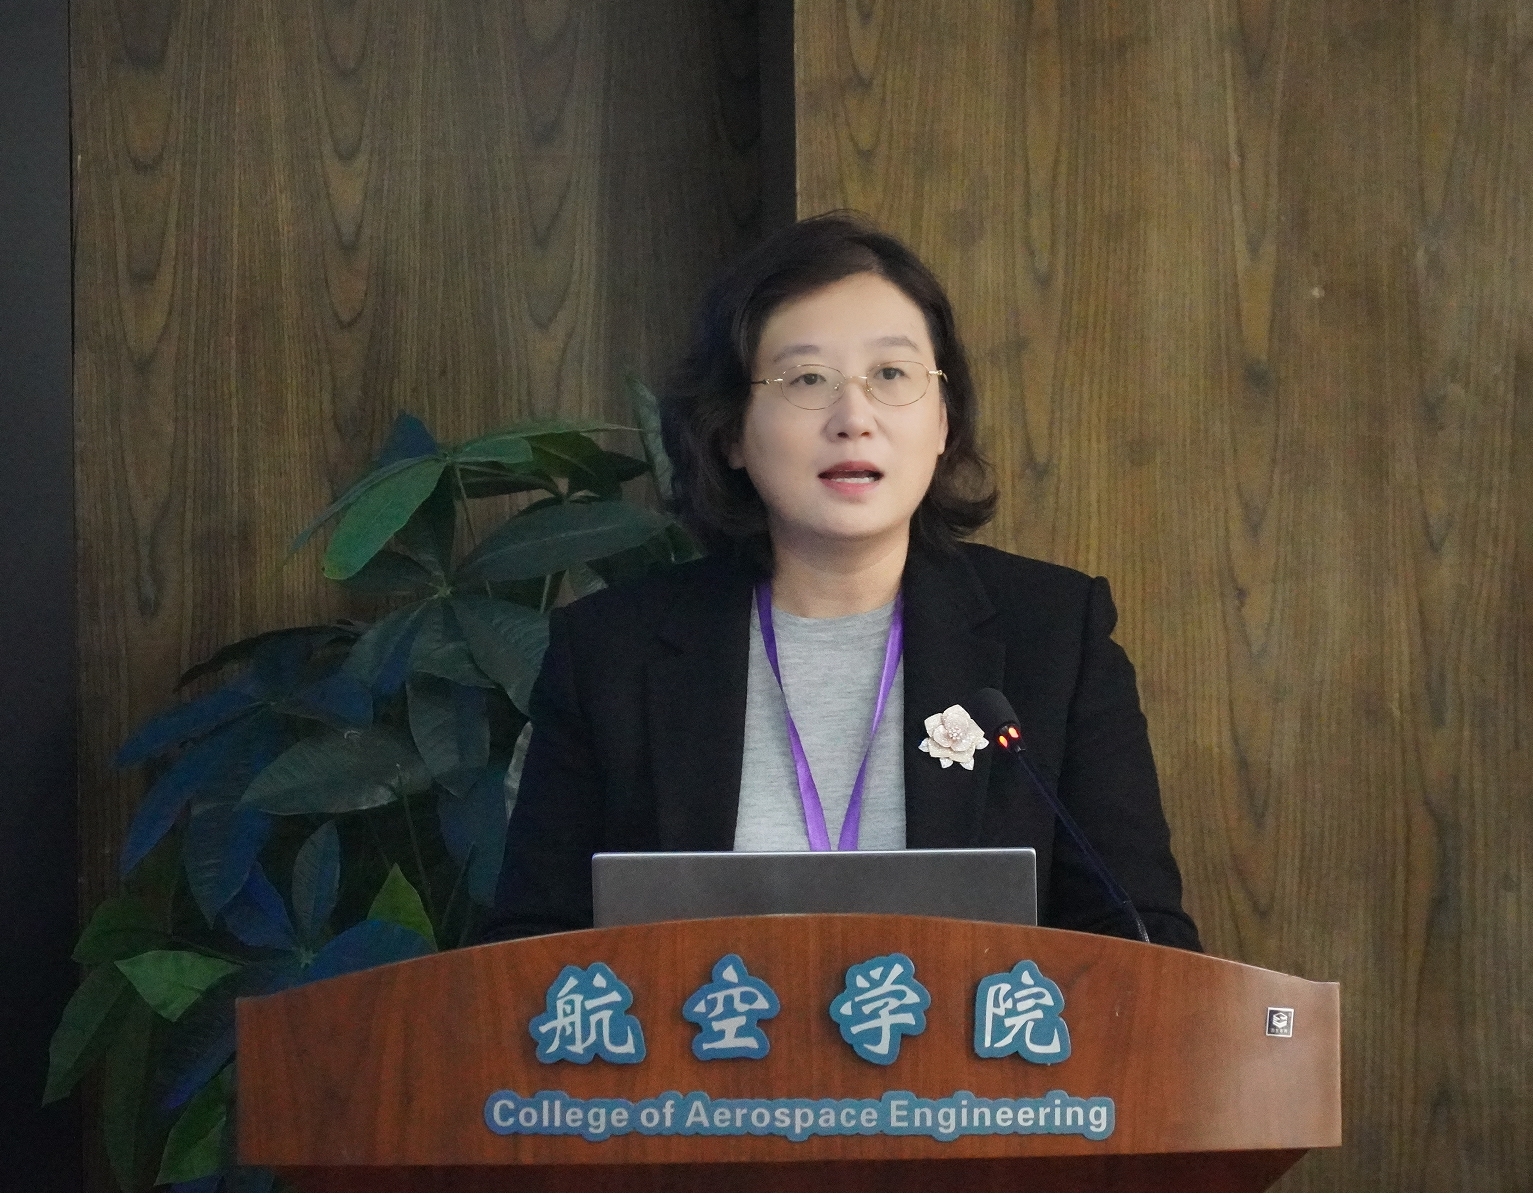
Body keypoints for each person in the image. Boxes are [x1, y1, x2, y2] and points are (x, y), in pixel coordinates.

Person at [486, 213, 1201, 951]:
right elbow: (530, 948)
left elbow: (1139, 937)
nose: (853, 418)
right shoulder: (611, 651)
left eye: (891, 375)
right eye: (807, 380)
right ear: (729, 431)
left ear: (943, 421)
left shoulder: (1051, 636)